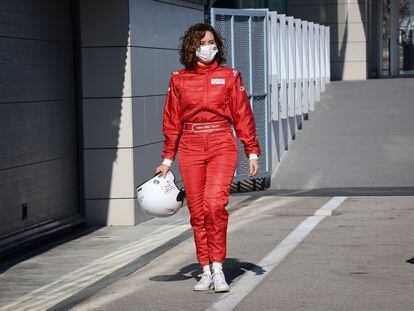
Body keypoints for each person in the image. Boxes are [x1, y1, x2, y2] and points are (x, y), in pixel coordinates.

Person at [155, 23, 261, 292]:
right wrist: (167, 159)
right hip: (190, 146)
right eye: (202, 43)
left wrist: (251, 150)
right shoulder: (178, 78)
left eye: (212, 42)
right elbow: (172, 121)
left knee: (215, 205)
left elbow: (242, 114)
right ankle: (205, 269)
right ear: (192, 47)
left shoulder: (229, 76)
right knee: (198, 211)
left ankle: (218, 267)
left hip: (221, 143)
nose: (208, 47)